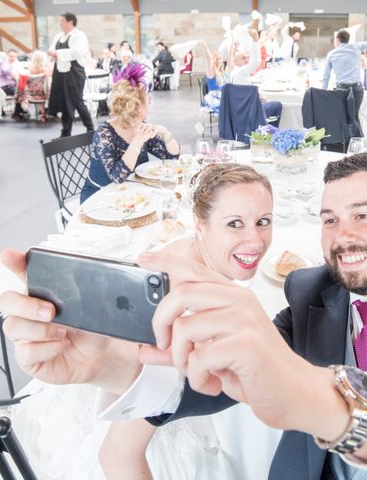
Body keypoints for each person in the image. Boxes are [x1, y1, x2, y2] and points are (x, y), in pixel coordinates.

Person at [0, 153, 367, 480]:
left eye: (363, 215)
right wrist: (113, 364)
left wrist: (324, 400)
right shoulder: (309, 290)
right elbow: (222, 380)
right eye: (328, 218)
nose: (342, 237)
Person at [99, 163, 275, 480]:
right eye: (235, 224)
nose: (256, 241)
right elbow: (116, 456)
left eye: (263, 222)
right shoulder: (174, 310)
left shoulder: (197, 255)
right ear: (200, 225)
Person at [80, 64, 179, 203]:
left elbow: (171, 157)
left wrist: (165, 133)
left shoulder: (140, 126)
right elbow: (117, 177)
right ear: (136, 108)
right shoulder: (104, 134)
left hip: (130, 194)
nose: (150, 103)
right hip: (100, 197)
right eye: (148, 100)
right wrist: (138, 141)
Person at [322, 11, 367, 126]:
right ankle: (354, 141)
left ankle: (342, 142)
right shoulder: (356, 47)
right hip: (357, 89)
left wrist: (323, 93)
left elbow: (326, 77)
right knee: (354, 117)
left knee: (341, 117)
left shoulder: (332, 54)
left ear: (338, 39)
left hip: (341, 89)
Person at [47, 12, 95, 137]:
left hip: (74, 73)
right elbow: (51, 50)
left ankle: (90, 128)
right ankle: (66, 131)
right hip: (60, 72)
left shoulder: (79, 35)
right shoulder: (59, 36)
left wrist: (57, 54)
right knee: (64, 102)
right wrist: (55, 53)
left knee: (77, 101)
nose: (60, 23)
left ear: (70, 22)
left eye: (62, 21)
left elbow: (76, 52)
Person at [228, 29, 283, 126]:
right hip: (250, 112)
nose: (246, 60)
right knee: (278, 105)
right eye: (243, 58)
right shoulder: (240, 72)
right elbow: (256, 62)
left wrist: (258, 96)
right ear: (235, 62)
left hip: (239, 111)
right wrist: (255, 40)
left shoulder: (233, 72)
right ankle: (269, 132)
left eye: (247, 57)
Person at [0, 49, 27, 120]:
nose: (12, 58)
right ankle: (17, 112)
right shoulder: (3, 62)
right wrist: (13, 76)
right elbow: (6, 70)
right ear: (6, 56)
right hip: (5, 87)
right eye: (11, 56)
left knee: (18, 89)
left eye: (14, 57)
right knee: (21, 91)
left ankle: (4, 110)